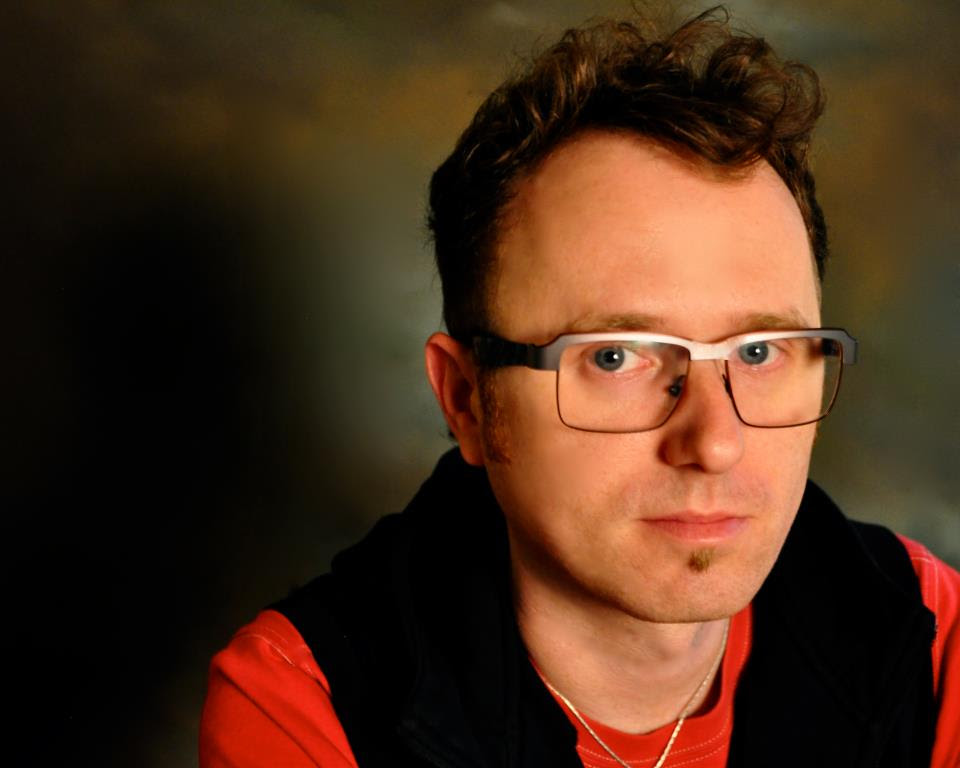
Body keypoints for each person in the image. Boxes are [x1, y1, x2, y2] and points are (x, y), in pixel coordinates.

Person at [200, 8, 960, 767]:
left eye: (760, 351)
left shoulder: (936, 642)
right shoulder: (306, 704)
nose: (715, 444)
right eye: (615, 357)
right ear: (467, 400)